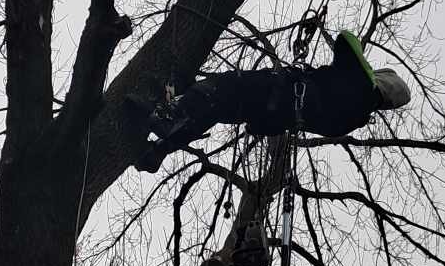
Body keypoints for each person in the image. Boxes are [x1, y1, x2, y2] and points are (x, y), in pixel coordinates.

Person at [139, 30, 411, 168]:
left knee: (220, 86)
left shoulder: (362, 82)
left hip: (275, 90)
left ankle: (168, 117)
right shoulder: (353, 120)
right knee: (215, 110)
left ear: (382, 82)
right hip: (272, 113)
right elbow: (313, 122)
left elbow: (347, 40)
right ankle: (158, 151)